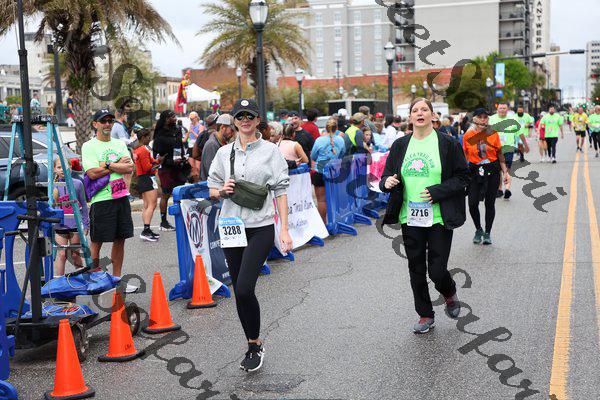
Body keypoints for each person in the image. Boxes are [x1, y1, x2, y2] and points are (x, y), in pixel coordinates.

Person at [207, 98, 292, 372]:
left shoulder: (271, 151)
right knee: (239, 292)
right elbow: (211, 187)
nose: (245, 120)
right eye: (240, 116)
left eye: (250, 116)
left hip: (260, 226)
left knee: (245, 287)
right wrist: (221, 191)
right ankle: (252, 344)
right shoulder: (223, 153)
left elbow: (281, 191)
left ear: (258, 120)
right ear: (234, 121)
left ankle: (255, 343)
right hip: (231, 226)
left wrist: (285, 230)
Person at [379, 98, 469, 334]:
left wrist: (437, 192)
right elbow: (386, 175)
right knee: (416, 268)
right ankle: (425, 314)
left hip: (439, 217)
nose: (420, 113)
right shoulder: (400, 145)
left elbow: (463, 178)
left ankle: (449, 292)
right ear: (410, 117)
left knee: (437, 271)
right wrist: (386, 182)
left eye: (424, 110)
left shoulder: (448, 143)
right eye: (415, 110)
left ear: (433, 115)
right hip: (410, 216)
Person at [81, 109, 134, 277]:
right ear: (95, 124)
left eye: (110, 121)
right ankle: (94, 277)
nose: (107, 124)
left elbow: (129, 167)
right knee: (97, 241)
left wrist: (107, 165)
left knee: (120, 239)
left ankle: (117, 278)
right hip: (102, 199)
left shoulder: (119, 144)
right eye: (103, 121)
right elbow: (92, 173)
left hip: (121, 196)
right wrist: (117, 164)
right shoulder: (89, 146)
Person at [463, 108, 510, 245]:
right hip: (474, 171)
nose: (483, 119)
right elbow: (464, 156)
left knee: (490, 203)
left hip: (492, 171)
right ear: (474, 119)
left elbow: (499, 153)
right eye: (480, 117)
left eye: (485, 117)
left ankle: (488, 233)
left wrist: (505, 172)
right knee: (472, 203)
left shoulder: (493, 133)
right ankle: (478, 229)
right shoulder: (468, 135)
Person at [53, 158, 89, 276]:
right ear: (54, 169)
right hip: (60, 225)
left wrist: (86, 224)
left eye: (64, 167)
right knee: (62, 254)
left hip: (75, 225)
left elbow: (83, 204)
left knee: (75, 254)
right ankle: (60, 280)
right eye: (59, 167)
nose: (62, 170)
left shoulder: (77, 183)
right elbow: (50, 206)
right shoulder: (53, 186)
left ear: (70, 168)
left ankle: (81, 277)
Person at [153, 110, 188, 231]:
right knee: (166, 194)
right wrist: (168, 161)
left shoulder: (177, 130)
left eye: (174, 116)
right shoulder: (159, 134)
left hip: (179, 166)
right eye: (171, 116)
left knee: (180, 193)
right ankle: (163, 222)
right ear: (165, 119)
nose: (174, 118)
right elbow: (157, 155)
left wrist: (182, 158)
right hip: (166, 168)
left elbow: (180, 146)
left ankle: (182, 219)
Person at [489, 103, 528, 199]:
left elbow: (520, 133)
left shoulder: (513, 119)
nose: (502, 110)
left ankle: (507, 189)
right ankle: (499, 189)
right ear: (497, 109)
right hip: (495, 149)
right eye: (500, 108)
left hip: (508, 149)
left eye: (504, 108)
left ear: (507, 109)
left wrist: (525, 144)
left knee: (507, 169)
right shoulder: (491, 119)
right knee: (497, 170)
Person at [311, 118, 345, 223]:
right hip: (334, 172)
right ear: (337, 128)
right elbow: (342, 154)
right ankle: (334, 221)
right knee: (334, 198)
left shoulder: (319, 140)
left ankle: (323, 223)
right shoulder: (341, 140)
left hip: (320, 171)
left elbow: (313, 156)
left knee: (321, 200)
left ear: (326, 128)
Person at [134, 129, 163, 242]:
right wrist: (158, 165)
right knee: (152, 204)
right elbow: (147, 168)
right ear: (143, 138)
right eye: (148, 137)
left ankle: (146, 229)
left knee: (146, 205)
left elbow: (151, 161)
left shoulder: (138, 150)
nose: (150, 139)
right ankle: (146, 230)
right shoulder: (143, 150)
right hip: (147, 178)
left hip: (142, 178)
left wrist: (157, 161)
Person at [200, 114, 235, 181]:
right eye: (232, 130)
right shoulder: (212, 145)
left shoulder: (222, 143)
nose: (233, 134)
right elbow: (212, 173)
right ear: (223, 127)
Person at [186, 112, 204, 182]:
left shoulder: (200, 126)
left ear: (196, 118)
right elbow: (186, 137)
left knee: (198, 167)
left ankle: (200, 181)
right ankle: (194, 182)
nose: (191, 120)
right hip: (190, 147)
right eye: (190, 119)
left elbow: (200, 137)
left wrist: (192, 131)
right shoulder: (190, 126)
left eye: (192, 119)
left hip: (197, 147)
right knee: (192, 167)